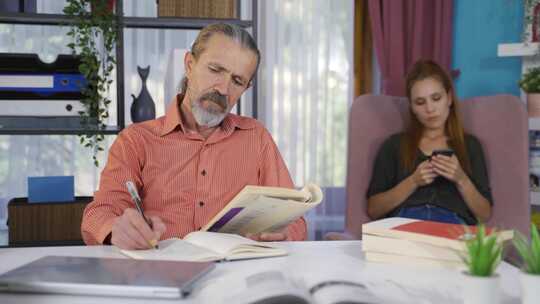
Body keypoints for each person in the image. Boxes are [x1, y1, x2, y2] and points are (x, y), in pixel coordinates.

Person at [81, 23, 307, 249]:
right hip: (160, 275)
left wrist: (285, 233)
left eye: (237, 81)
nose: (223, 89)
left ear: (245, 89)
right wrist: (117, 228)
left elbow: (293, 218)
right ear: (190, 65)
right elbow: (99, 213)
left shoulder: (257, 138)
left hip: (235, 276)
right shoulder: (136, 140)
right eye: (215, 70)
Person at [366, 59, 492, 225]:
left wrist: (461, 179)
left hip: (451, 229)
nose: (430, 109)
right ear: (411, 107)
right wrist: (413, 181)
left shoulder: (470, 145)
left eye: (436, 98)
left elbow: (484, 215)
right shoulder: (394, 145)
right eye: (420, 102)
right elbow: (374, 210)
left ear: (449, 98)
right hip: (405, 226)